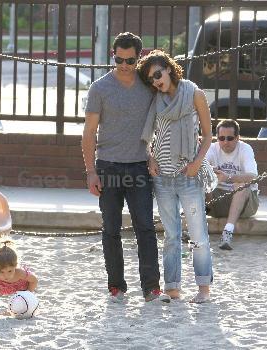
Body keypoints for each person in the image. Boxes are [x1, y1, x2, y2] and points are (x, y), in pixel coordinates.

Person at [82, 32, 170, 303]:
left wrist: (153, 154)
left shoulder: (149, 86)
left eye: (130, 60)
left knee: (145, 227)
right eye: (118, 59)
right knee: (110, 229)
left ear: (139, 57)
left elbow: (161, 124)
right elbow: (89, 132)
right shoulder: (99, 88)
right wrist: (90, 171)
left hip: (139, 167)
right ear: (113, 55)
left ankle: (151, 287)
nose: (123, 65)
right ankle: (116, 285)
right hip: (107, 167)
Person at [137, 49, 214, 303]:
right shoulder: (155, 99)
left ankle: (203, 289)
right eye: (151, 79)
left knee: (198, 235)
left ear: (169, 68)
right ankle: (173, 288)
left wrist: (195, 164)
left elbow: (208, 135)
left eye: (158, 74)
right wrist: (150, 158)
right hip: (163, 179)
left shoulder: (194, 94)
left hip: (188, 175)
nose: (156, 81)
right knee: (170, 237)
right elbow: (151, 136)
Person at [206, 119, 259, 250]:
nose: (225, 142)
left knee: (241, 185)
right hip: (217, 201)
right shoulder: (212, 148)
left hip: (245, 205)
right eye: (221, 138)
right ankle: (194, 229)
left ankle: (227, 232)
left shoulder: (245, 149)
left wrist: (228, 177)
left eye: (230, 138)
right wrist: (210, 172)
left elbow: (253, 176)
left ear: (237, 138)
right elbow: (200, 171)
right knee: (199, 183)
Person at [0, 236, 38, 315]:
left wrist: (28, 293)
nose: (6, 275)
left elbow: (34, 280)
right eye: (2, 272)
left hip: (18, 287)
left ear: (15, 266)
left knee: (23, 296)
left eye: (10, 271)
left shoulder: (20, 273)